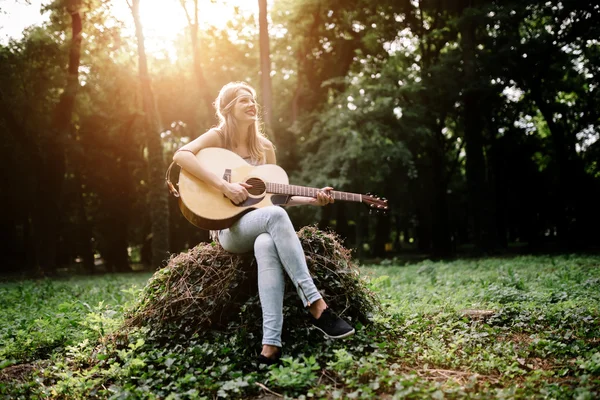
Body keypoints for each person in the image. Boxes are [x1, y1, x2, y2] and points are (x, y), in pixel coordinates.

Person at [173, 81, 354, 365]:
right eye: (244, 100)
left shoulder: (265, 148)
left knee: (267, 242)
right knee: (276, 220)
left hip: (262, 222)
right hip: (230, 230)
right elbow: (181, 155)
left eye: (253, 99)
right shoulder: (218, 137)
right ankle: (316, 305)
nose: (251, 104)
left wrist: (311, 200)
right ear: (229, 109)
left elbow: (273, 200)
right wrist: (225, 186)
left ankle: (270, 346)